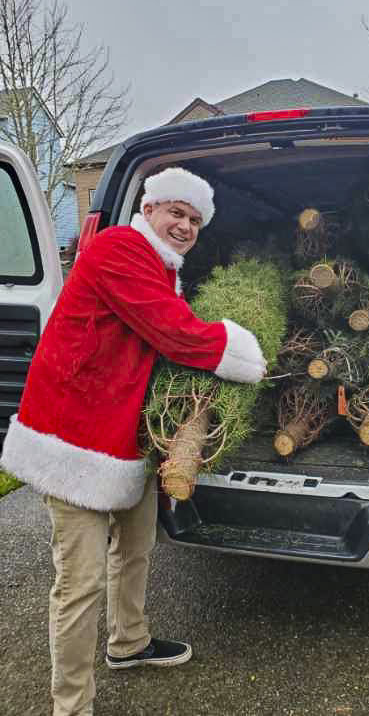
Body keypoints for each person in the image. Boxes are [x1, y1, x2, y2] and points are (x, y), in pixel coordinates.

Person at [1, 166, 266, 716]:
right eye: (176, 212)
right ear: (148, 210)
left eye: (194, 219)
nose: (185, 225)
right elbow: (173, 330)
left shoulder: (159, 266)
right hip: (75, 439)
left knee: (137, 548)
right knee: (80, 584)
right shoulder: (120, 247)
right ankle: (70, 705)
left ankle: (129, 642)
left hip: (125, 433)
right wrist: (236, 351)